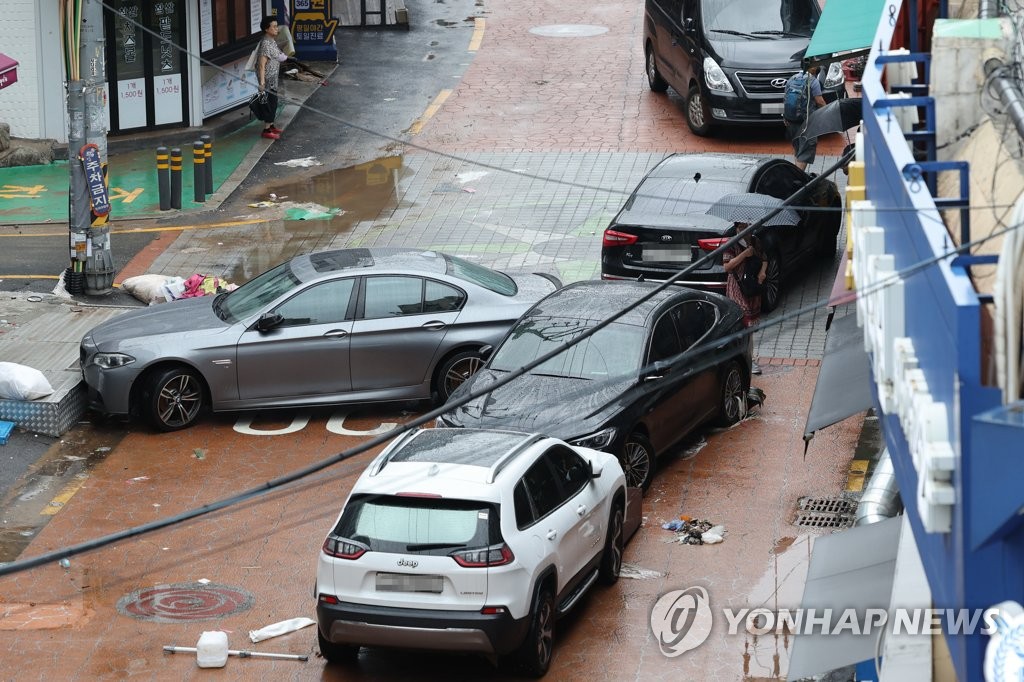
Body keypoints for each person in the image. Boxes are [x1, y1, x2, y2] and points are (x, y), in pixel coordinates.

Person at [723, 227, 767, 374]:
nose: (745, 230)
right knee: (743, 322)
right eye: (741, 227)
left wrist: (762, 272)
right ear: (737, 228)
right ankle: (744, 358)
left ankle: (750, 358)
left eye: (747, 226)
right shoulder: (731, 243)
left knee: (751, 328)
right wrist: (744, 254)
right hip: (737, 287)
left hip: (753, 286)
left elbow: (765, 258)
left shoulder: (755, 240)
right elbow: (727, 267)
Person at [784, 64, 827, 171]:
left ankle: (795, 175)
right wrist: (828, 112)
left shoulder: (792, 79)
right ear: (812, 69)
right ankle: (797, 180)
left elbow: (785, 98)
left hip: (791, 120)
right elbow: (820, 101)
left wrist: (784, 116)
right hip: (807, 122)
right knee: (805, 151)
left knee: (798, 150)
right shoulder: (813, 81)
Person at [255, 16, 289, 140]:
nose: (276, 28)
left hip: (273, 79)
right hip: (267, 80)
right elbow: (261, 65)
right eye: (273, 27)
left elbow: (278, 55)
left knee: (274, 102)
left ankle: (272, 125)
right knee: (270, 103)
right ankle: (266, 129)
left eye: (276, 26)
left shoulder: (272, 41)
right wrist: (262, 83)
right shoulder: (265, 44)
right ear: (266, 29)